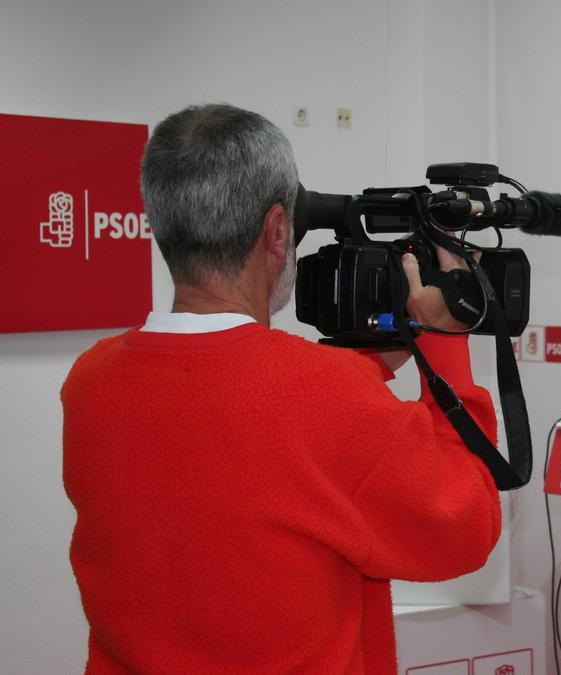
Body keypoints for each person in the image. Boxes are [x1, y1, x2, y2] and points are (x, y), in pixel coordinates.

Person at [61, 103, 501, 674]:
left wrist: (366, 366)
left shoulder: (91, 380)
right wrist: (444, 340)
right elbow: (463, 527)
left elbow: (241, 443)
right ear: (276, 230)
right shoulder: (325, 395)